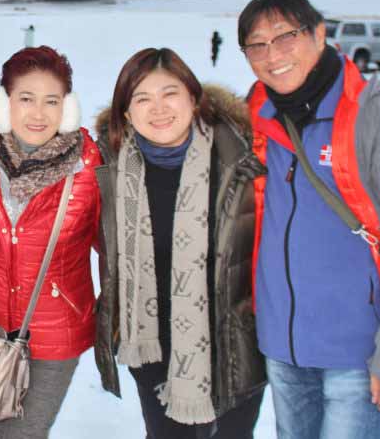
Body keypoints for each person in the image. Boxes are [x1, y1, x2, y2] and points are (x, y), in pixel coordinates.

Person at [237, 0, 380, 439]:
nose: (272, 55)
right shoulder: (256, 118)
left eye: (286, 36)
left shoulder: (379, 118)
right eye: (256, 45)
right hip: (282, 348)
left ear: (319, 34)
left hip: (356, 352)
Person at [93, 47, 266, 439]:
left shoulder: (240, 159)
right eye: (142, 98)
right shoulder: (112, 169)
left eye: (169, 93)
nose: (158, 109)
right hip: (151, 350)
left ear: (193, 98)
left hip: (233, 349)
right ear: (126, 113)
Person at [0, 45, 102, 439]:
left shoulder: (89, 169)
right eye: (26, 99)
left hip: (57, 331)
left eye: (52, 101)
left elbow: (114, 244)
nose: (38, 113)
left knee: (22, 433)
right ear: (4, 103)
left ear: (67, 108)